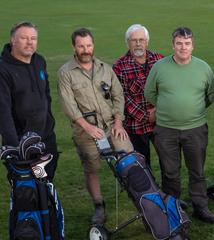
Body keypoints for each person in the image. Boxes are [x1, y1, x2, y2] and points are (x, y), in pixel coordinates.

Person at [58, 28, 133, 224]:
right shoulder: (66, 73)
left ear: (93, 45)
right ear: (74, 46)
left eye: (88, 45)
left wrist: (118, 122)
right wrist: (88, 127)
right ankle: (99, 205)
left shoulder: (105, 69)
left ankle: (139, 196)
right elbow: (69, 105)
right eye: (81, 46)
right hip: (86, 130)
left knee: (130, 157)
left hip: (111, 125)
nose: (85, 50)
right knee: (92, 167)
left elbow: (118, 95)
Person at [144, 27, 214, 223]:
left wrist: (190, 109)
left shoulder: (203, 68)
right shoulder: (160, 67)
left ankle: (200, 207)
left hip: (195, 129)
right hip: (166, 129)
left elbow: (210, 95)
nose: (183, 47)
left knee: (197, 171)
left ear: (192, 45)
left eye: (187, 44)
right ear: (173, 45)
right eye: (179, 43)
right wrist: (167, 107)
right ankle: (173, 209)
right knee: (170, 172)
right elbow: (149, 92)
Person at [0, 21, 59, 179]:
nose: (30, 42)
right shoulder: (3, 70)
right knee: (26, 190)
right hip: (23, 144)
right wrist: (15, 148)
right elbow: (3, 113)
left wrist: (50, 123)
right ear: (13, 40)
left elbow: (46, 95)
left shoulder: (39, 61)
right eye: (24, 38)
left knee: (45, 182)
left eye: (33, 38)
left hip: (46, 140)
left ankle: (45, 203)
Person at [112, 24, 164, 166]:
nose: (138, 44)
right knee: (142, 164)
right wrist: (147, 116)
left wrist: (159, 111)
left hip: (161, 121)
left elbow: (168, 89)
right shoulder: (119, 66)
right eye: (134, 40)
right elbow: (121, 96)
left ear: (147, 41)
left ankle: (169, 189)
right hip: (136, 126)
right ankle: (148, 188)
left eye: (141, 40)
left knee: (168, 161)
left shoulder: (160, 61)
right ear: (127, 42)